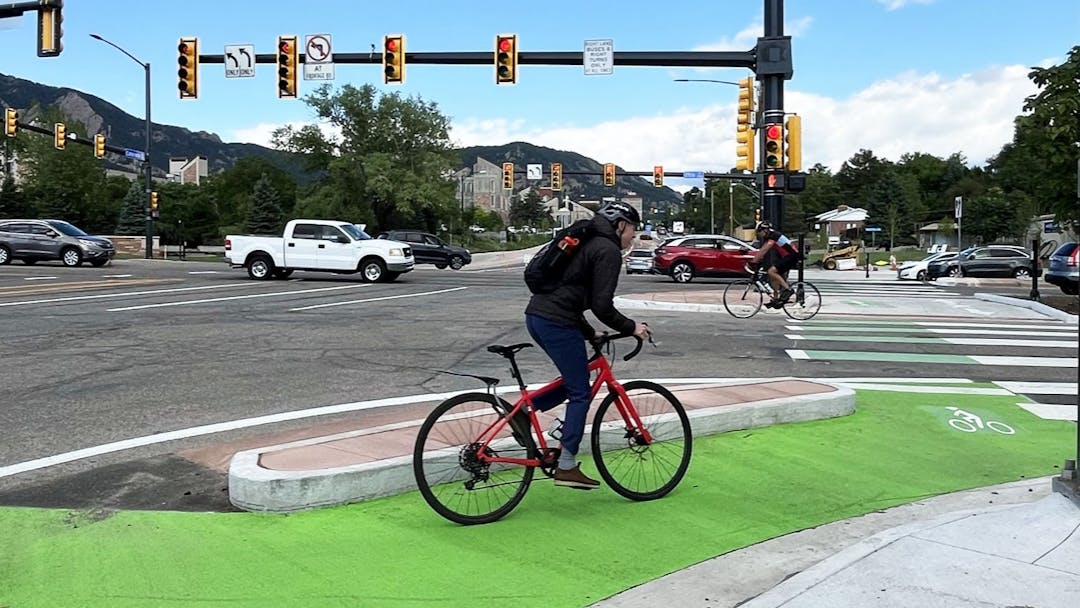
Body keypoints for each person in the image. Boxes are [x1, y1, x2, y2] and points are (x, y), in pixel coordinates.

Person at [524, 201, 652, 490]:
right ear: (620, 225)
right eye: (633, 228)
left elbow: (571, 293)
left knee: (575, 378)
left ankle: (527, 410)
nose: (633, 235)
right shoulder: (607, 251)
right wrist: (632, 327)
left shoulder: (588, 241)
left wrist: (589, 333)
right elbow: (602, 306)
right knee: (580, 392)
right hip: (555, 321)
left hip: (539, 316)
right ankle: (566, 465)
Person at [750, 221, 801, 308]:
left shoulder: (773, 236)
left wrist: (753, 262)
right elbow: (762, 250)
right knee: (773, 276)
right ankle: (776, 299)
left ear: (765, 230)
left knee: (771, 271)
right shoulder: (770, 236)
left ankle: (788, 289)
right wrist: (757, 260)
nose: (758, 234)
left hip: (791, 256)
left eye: (759, 231)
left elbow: (764, 250)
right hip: (787, 256)